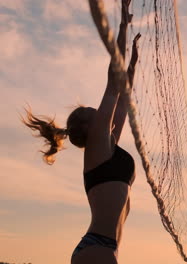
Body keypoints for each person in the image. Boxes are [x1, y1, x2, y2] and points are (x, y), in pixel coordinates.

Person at [21, 1, 141, 263]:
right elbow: (113, 83)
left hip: (102, 247)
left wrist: (131, 64)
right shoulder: (98, 144)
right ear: (88, 126)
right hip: (98, 247)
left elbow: (121, 99)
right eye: (90, 110)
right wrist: (122, 26)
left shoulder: (107, 146)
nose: (96, 109)